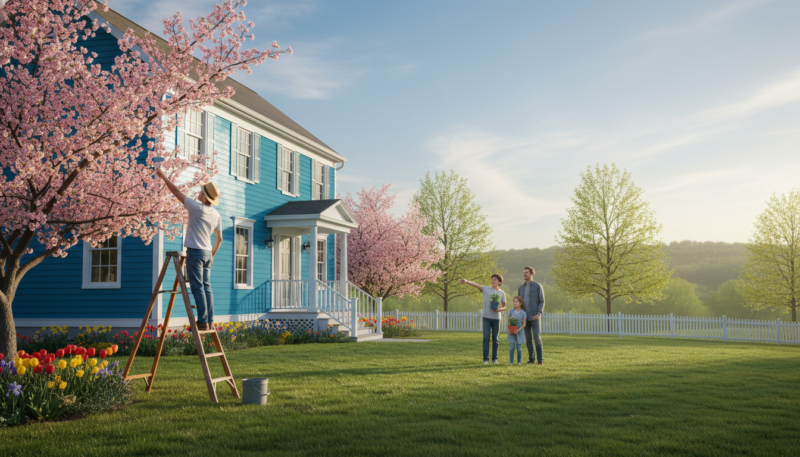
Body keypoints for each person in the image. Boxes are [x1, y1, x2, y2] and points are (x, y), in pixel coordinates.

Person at [156, 168, 222, 331]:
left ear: (204, 196)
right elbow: (219, 239)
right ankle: (209, 320)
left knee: (197, 287)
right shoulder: (216, 214)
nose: (199, 192)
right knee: (207, 287)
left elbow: (176, 192)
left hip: (195, 252)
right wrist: (212, 256)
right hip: (207, 253)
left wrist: (163, 176)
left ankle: (202, 321)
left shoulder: (196, 207)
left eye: (201, 191)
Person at [461, 274, 506, 364]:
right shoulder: (486, 289)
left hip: (496, 318)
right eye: (492, 279)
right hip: (486, 317)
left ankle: (494, 359)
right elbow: (476, 284)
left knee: (495, 339)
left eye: (495, 280)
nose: (492, 281)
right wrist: (467, 281)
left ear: (500, 282)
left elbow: (504, 307)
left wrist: (498, 309)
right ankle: (485, 359)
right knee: (486, 338)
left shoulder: (502, 293)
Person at [518, 266, 545, 364]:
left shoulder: (537, 286)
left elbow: (542, 301)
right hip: (525, 317)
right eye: (523, 272)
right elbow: (519, 303)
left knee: (537, 339)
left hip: (535, 317)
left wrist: (539, 313)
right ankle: (531, 359)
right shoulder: (521, 288)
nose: (524, 274)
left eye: (526, 272)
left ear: (532, 274)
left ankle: (540, 360)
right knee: (528, 340)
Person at [507, 296, 527, 365]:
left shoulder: (523, 313)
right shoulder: (511, 311)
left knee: (519, 348)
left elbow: (524, 324)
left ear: (521, 303)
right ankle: (511, 362)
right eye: (514, 301)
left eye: (516, 301)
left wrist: (518, 330)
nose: (514, 303)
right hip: (512, 331)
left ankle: (519, 362)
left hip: (520, 331)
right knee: (511, 347)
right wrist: (511, 329)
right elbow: (508, 321)